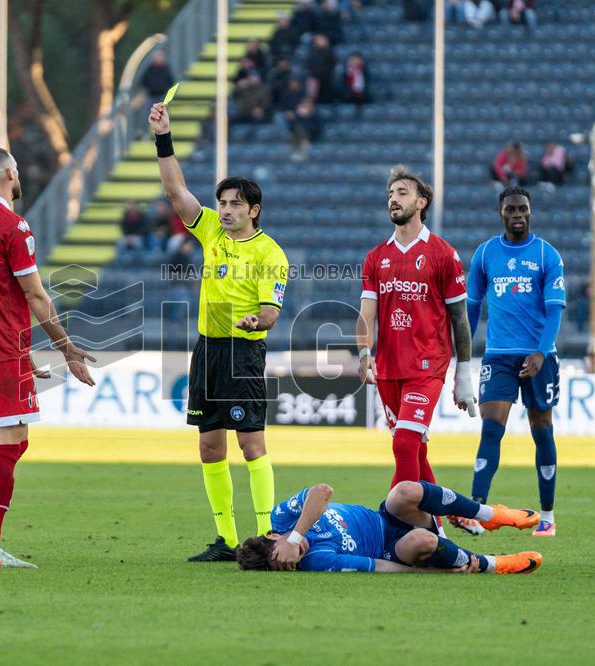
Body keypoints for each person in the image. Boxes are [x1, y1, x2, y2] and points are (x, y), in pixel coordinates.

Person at [0, 147, 96, 568]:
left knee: (14, 440)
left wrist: (23, 351)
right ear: (10, 173)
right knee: (7, 444)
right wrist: (66, 347)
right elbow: (34, 295)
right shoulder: (13, 225)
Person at [149, 102, 290, 562]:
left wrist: (255, 321)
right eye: (222, 203)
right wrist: (163, 138)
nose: (225, 210)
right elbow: (175, 191)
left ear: (254, 210)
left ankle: (267, 536)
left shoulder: (270, 253)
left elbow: (270, 312)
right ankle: (225, 540)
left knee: (251, 444)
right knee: (210, 446)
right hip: (207, 349)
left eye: (234, 204)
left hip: (243, 353)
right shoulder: (211, 231)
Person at [356, 166, 477, 501]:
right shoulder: (375, 258)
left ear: (422, 202)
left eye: (402, 193)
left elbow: (460, 318)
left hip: (427, 366)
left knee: (405, 444)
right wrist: (364, 354)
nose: (393, 199)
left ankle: (398, 523)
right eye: (390, 194)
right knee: (416, 450)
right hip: (389, 368)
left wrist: (463, 373)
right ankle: (447, 515)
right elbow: (366, 314)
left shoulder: (443, 254)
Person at [458, 187, 565, 538]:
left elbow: (554, 310)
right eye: (511, 209)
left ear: (531, 212)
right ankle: (475, 510)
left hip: (539, 355)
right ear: (501, 213)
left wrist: (541, 352)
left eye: (522, 209)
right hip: (499, 355)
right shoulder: (486, 253)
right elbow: (472, 307)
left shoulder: (547, 254)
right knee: (491, 428)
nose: (517, 214)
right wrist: (462, 353)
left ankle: (547, 515)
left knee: (542, 430)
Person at [237, 481, 542, 573]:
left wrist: (294, 538)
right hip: (392, 549)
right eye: (289, 565)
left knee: (405, 490)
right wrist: (437, 573)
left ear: (273, 536)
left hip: (387, 518)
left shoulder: (283, 519)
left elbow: (323, 491)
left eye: (284, 554)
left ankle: (490, 514)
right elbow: (380, 566)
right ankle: (492, 564)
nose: (295, 557)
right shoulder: (317, 561)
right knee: (422, 541)